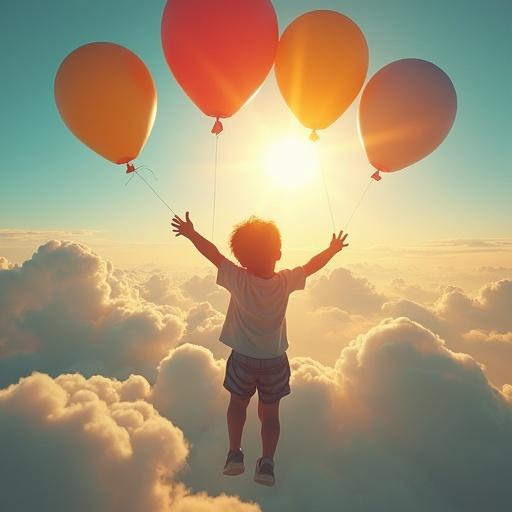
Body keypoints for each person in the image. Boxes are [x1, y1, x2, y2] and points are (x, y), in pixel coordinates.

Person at [171, 212, 349, 486]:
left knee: (237, 406)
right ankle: (267, 463)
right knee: (270, 415)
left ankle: (234, 454)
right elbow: (313, 265)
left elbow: (213, 254)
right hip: (275, 361)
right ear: (278, 253)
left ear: (241, 260)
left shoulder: (237, 278)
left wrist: (191, 233)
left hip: (243, 359)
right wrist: (333, 250)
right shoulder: (285, 281)